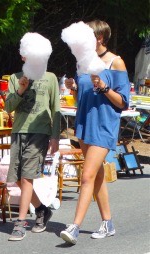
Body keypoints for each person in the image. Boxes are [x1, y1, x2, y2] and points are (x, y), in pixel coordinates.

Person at [60, 20, 130, 245]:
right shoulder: (83, 61)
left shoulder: (115, 62)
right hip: (84, 123)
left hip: (104, 125)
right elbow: (85, 92)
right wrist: (74, 87)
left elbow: (123, 102)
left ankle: (75, 227)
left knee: (87, 175)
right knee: (97, 175)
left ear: (99, 38)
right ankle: (107, 223)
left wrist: (105, 88)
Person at [5, 32, 60, 241]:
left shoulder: (51, 78)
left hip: (40, 131)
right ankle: (42, 210)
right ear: (23, 56)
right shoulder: (15, 78)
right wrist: (20, 89)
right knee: (18, 178)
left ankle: (20, 223)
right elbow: (8, 107)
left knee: (27, 177)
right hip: (19, 131)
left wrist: (55, 137)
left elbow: (56, 109)